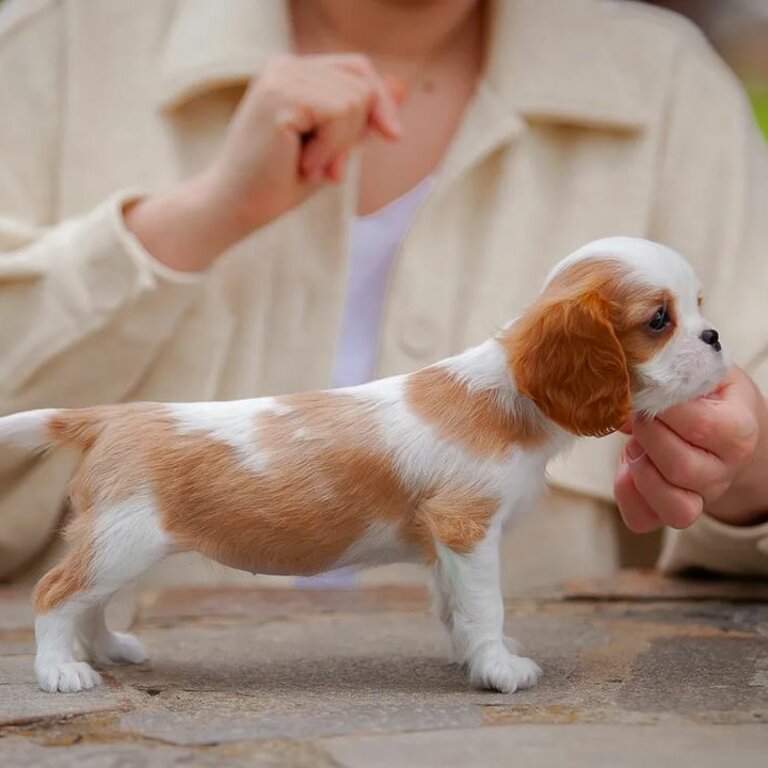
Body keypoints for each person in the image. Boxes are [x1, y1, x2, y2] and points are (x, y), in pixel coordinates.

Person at [0, 0, 767, 592]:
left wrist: (744, 475)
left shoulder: (673, 91)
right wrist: (190, 224)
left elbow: (750, 451)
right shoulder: (47, 49)